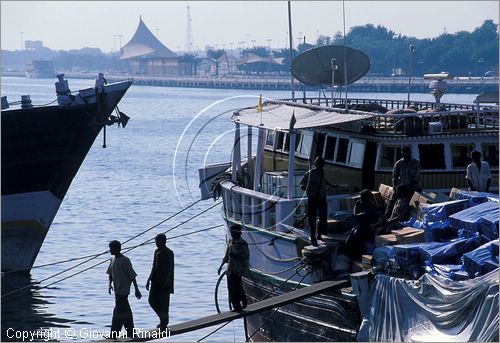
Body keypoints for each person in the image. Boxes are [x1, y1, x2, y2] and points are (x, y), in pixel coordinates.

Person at [107, 240, 142, 339]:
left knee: (117, 312)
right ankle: (131, 331)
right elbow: (110, 273)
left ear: (117, 249)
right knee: (125, 311)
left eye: (111, 248)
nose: (110, 250)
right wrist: (109, 285)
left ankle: (113, 334)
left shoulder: (125, 260)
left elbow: (132, 276)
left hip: (124, 290)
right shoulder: (112, 259)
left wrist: (136, 289)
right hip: (117, 291)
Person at [299, 156, 333, 246]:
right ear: (316, 164)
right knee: (312, 219)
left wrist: (331, 185)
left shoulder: (323, 172)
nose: (321, 166)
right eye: (319, 164)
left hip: (322, 198)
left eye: (322, 165)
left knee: (323, 218)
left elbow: (324, 180)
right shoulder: (310, 173)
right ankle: (313, 237)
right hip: (313, 199)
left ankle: (319, 235)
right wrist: (305, 188)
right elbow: (301, 183)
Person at [382, 146, 421, 223]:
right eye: (404, 152)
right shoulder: (399, 163)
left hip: (412, 188)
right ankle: (385, 220)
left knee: (411, 204)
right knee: (391, 202)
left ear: (410, 152)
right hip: (401, 188)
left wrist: (409, 187)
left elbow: (417, 177)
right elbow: (394, 177)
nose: (406, 154)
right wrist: (395, 188)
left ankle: (408, 220)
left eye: (408, 152)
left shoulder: (416, 163)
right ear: (402, 153)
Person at [217, 225, 249, 312]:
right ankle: (236, 306)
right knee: (230, 288)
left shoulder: (243, 243)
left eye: (233, 232)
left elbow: (246, 256)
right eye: (231, 232)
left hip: (238, 269)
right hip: (230, 268)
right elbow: (227, 255)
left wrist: (237, 256)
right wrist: (221, 266)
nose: (231, 234)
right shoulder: (230, 241)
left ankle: (243, 300)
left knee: (238, 287)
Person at [146, 234, 174, 331]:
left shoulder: (169, 253)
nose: (157, 244)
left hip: (164, 282)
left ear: (164, 241)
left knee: (164, 304)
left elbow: (171, 269)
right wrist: (149, 279)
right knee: (151, 301)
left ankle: (163, 324)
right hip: (155, 281)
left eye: (158, 241)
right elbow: (154, 266)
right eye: (156, 242)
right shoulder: (156, 251)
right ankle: (163, 320)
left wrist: (167, 283)